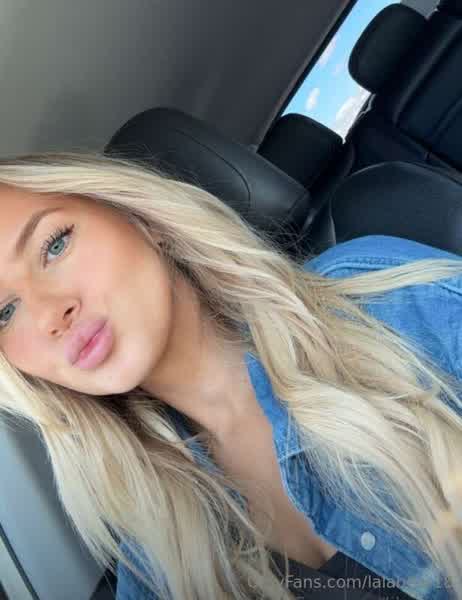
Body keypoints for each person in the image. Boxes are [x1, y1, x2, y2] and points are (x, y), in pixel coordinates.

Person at [0, 151, 462, 600]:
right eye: (5, 312)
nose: (49, 314)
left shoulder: (386, 306)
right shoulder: (156, 541)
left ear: (140, 219)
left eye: (54, 245)